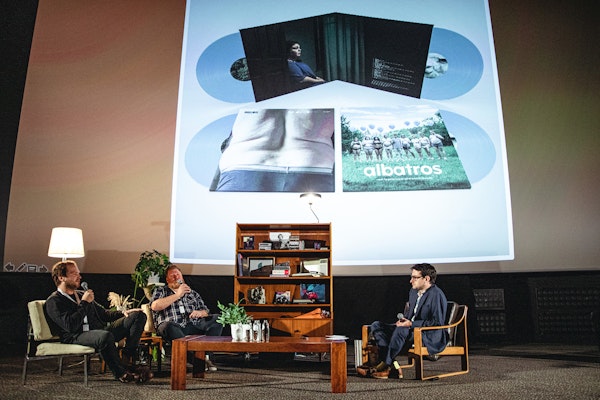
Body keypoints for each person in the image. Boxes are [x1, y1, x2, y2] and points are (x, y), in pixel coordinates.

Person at [45, 260, 152, 383]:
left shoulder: (81, 294)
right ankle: (121, 373)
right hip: (75, 335)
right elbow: (70, 325)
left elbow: (104, 314)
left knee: (138, 316)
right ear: (61, 277)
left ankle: (127, 359)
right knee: (104, 336)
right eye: (74, 273)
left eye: (78, 273)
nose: (79, 277)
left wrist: (124, 312)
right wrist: (84, 303)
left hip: (98, 331)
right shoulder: (54, 301)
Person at [358, 263, 448, 379]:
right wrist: (403, 321)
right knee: (376, 325)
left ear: (426, 279)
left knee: (401, 330)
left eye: (415, 278)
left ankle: (385, 366)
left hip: (427, 334)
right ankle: (391, 364)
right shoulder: (413, 292)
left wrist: (411, 324)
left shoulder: (436, 295)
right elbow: (411, 316)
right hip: (409, 329)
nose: (411, 281)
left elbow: (437, 322)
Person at [212, 108, 335, 192]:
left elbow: (231, 139)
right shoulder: (324, 92)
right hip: (311, 161)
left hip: (244, 160)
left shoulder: (250, 92)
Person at [150, 265, 223, 371]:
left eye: (178, 274)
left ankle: (206, 355)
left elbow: (206, 311)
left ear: (182, 277)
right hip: (172, 326)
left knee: (218, 319)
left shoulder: (192, 293)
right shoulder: (161, 291)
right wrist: (178, 295)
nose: (176, 277)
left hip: (192, 324)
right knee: (168, 326)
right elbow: (155, 306)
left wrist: (200, 313)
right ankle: (197, 361)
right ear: (167, 280)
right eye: (172, 275)